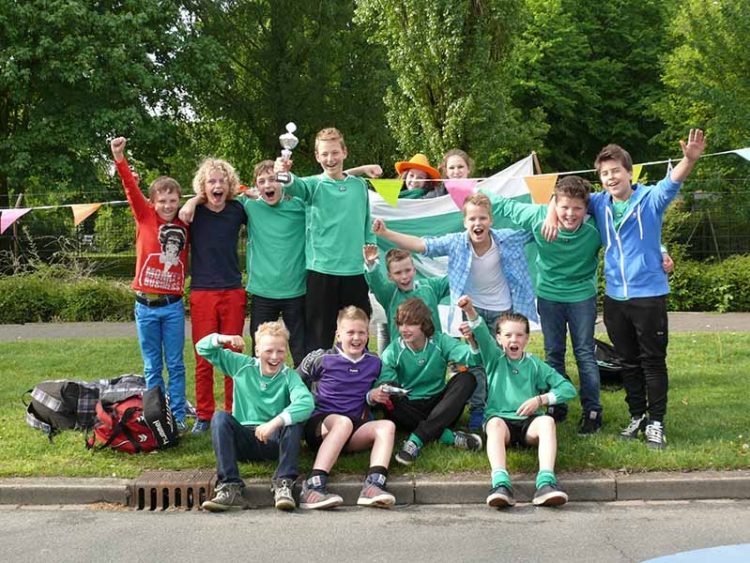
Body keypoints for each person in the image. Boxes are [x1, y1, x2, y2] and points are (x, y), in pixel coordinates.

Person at [544, 129, 706, 450]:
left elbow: (671, 182)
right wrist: (551, 209)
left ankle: (656, 422)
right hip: (615, 299)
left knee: (652, 361)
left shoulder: (649, 200)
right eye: (604, 173)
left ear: (629, 172)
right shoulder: (599, 204)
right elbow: (567, 196)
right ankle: (637, 415)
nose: (610, 177)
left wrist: (688, 160)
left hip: (649, 296)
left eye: (615, 170)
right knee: (628, 362)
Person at [372, 192, 537, 431]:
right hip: (472, 311)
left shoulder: (506, 238)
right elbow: (422, 245)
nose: (477, 224)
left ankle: (506, 407)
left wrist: (555, 214)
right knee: (476, 363)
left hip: (503, 310)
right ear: (464, 222)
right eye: (472, 219)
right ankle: (479, 410)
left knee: (505, 359)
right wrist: (385, 233)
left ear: (491, 220)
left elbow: (535, 231)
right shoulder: (457, 242)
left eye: (482, 218)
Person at [489, 176, 604, 434]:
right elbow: (497, 202)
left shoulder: (597, 224)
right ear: (555, 203)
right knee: (554, 352)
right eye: (564, 207)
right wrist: (461, 185)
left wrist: (662, 250)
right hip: (549, 295)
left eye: (577, 208)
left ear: (587, 208)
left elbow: (626, 225)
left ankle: (593, 411)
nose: (570, 214)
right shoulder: (537, 216)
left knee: (585, 353)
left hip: (581, 296)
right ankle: (557, 405)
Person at [457, 295, 577, 508]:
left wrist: (541, 399)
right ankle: (501, 484)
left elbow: (567, 389)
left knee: (548, 422)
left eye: (520, 335)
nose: (514, 340)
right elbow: (481, 331)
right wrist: (470, 309)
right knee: (493, 424)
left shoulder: (534, 364)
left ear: (527, 339)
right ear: (499, 339)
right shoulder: (494, 358)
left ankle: (546, 483)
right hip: (502, 425)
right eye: (508, 335)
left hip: (528, 424)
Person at [110, 137, 189, 430]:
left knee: (176, 365)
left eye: (173, 200)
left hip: (172, 306)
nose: (168, 206)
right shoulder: (144, 217)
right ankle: (157, 416)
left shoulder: (185, 222)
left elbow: (210, 197)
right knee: (152, 367)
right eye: (162, 201)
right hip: (145, 305)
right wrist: (120, 158)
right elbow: (131, 189)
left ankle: (178, 416)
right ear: (153, 202)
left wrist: (193, 202)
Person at [275, 127, 374, 354]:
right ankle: (316, 388)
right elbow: (290, 183)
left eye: (335, 153)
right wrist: (282, 170)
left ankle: (359, 386)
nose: (330, 159)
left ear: (344, 152)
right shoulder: (312, 185)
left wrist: (371, 252)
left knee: (357, 337)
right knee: (319, 340)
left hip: (354, 273)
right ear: (317, 157)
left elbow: (367, 222)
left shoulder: (360, 186)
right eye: (325, 154)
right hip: (322, 272)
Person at [197, 321, 314, 512]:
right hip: (243, 440)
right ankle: (229, 486)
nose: (275, 357)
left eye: (280, 351)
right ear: (257, 350)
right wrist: (223, 338)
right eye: (268, 351)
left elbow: (306, 403)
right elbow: (202, 348)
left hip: (274, 440)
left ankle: (284, 484)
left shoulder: (289, 376)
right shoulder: (241, 365)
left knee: (294, 422)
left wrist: (275, 423)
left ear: (287, 352)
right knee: (219, 417)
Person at [297, 306, 397, 509]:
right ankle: (313, 486)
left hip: (354, 428)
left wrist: (376, 393)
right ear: (338, 334)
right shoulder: (321, 358)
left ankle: (373, 486)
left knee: (387, 426)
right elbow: (292, 382)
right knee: (342, 423)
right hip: (322, 426)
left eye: (361, 332)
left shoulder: (374, 361)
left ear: (368, 334)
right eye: (350, 332)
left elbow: (388, 379)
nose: (356, 338)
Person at [368, 298, 482, 465]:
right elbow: (384, 380)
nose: (404, 329)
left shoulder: (440, 341)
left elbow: (473, 358)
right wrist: (384, 390)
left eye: (411, 324)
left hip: (440, 406)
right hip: (409, 406)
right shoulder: (393, 350)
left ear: (424, 324)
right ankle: (448, 436)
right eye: (401, 324)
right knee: (388, 391)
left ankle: (415, 440)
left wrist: (471, 340)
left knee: (467, 379)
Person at [180, 158, 247, 434]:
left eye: (221, 181)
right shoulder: (193, 213)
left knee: (233, 354)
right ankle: (204, 415)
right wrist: (193, 201)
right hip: (202, 292)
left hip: (233, 290)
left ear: (229, 184)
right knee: (203, 356)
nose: (217, 185)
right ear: (203, 186)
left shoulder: (238, 210)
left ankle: (233, 412)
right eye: (211, 181)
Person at [242, 160, 307, 367]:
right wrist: (244, 191)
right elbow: (217, 190)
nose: (268, 185)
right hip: (263, 291)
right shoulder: (250, 205)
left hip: (296, 290)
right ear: (256, 186)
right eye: (261, 181)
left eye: (273, 179)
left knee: (300, 350)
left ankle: (303, 394)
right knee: (260, 350)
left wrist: (360, 170)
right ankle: (261, 393)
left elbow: (324, 184)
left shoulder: (299, 205)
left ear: (284, 182)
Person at [363, 245, 450, 355]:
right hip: (403, 357)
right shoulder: (389, 293)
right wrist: (371, 265)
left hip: (432, 355)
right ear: (390, 276)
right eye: (398, 273)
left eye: (408, 270)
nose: (404, 276)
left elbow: (453, 280)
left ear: (414, 270)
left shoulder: (430, 287)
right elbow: (377, 283)